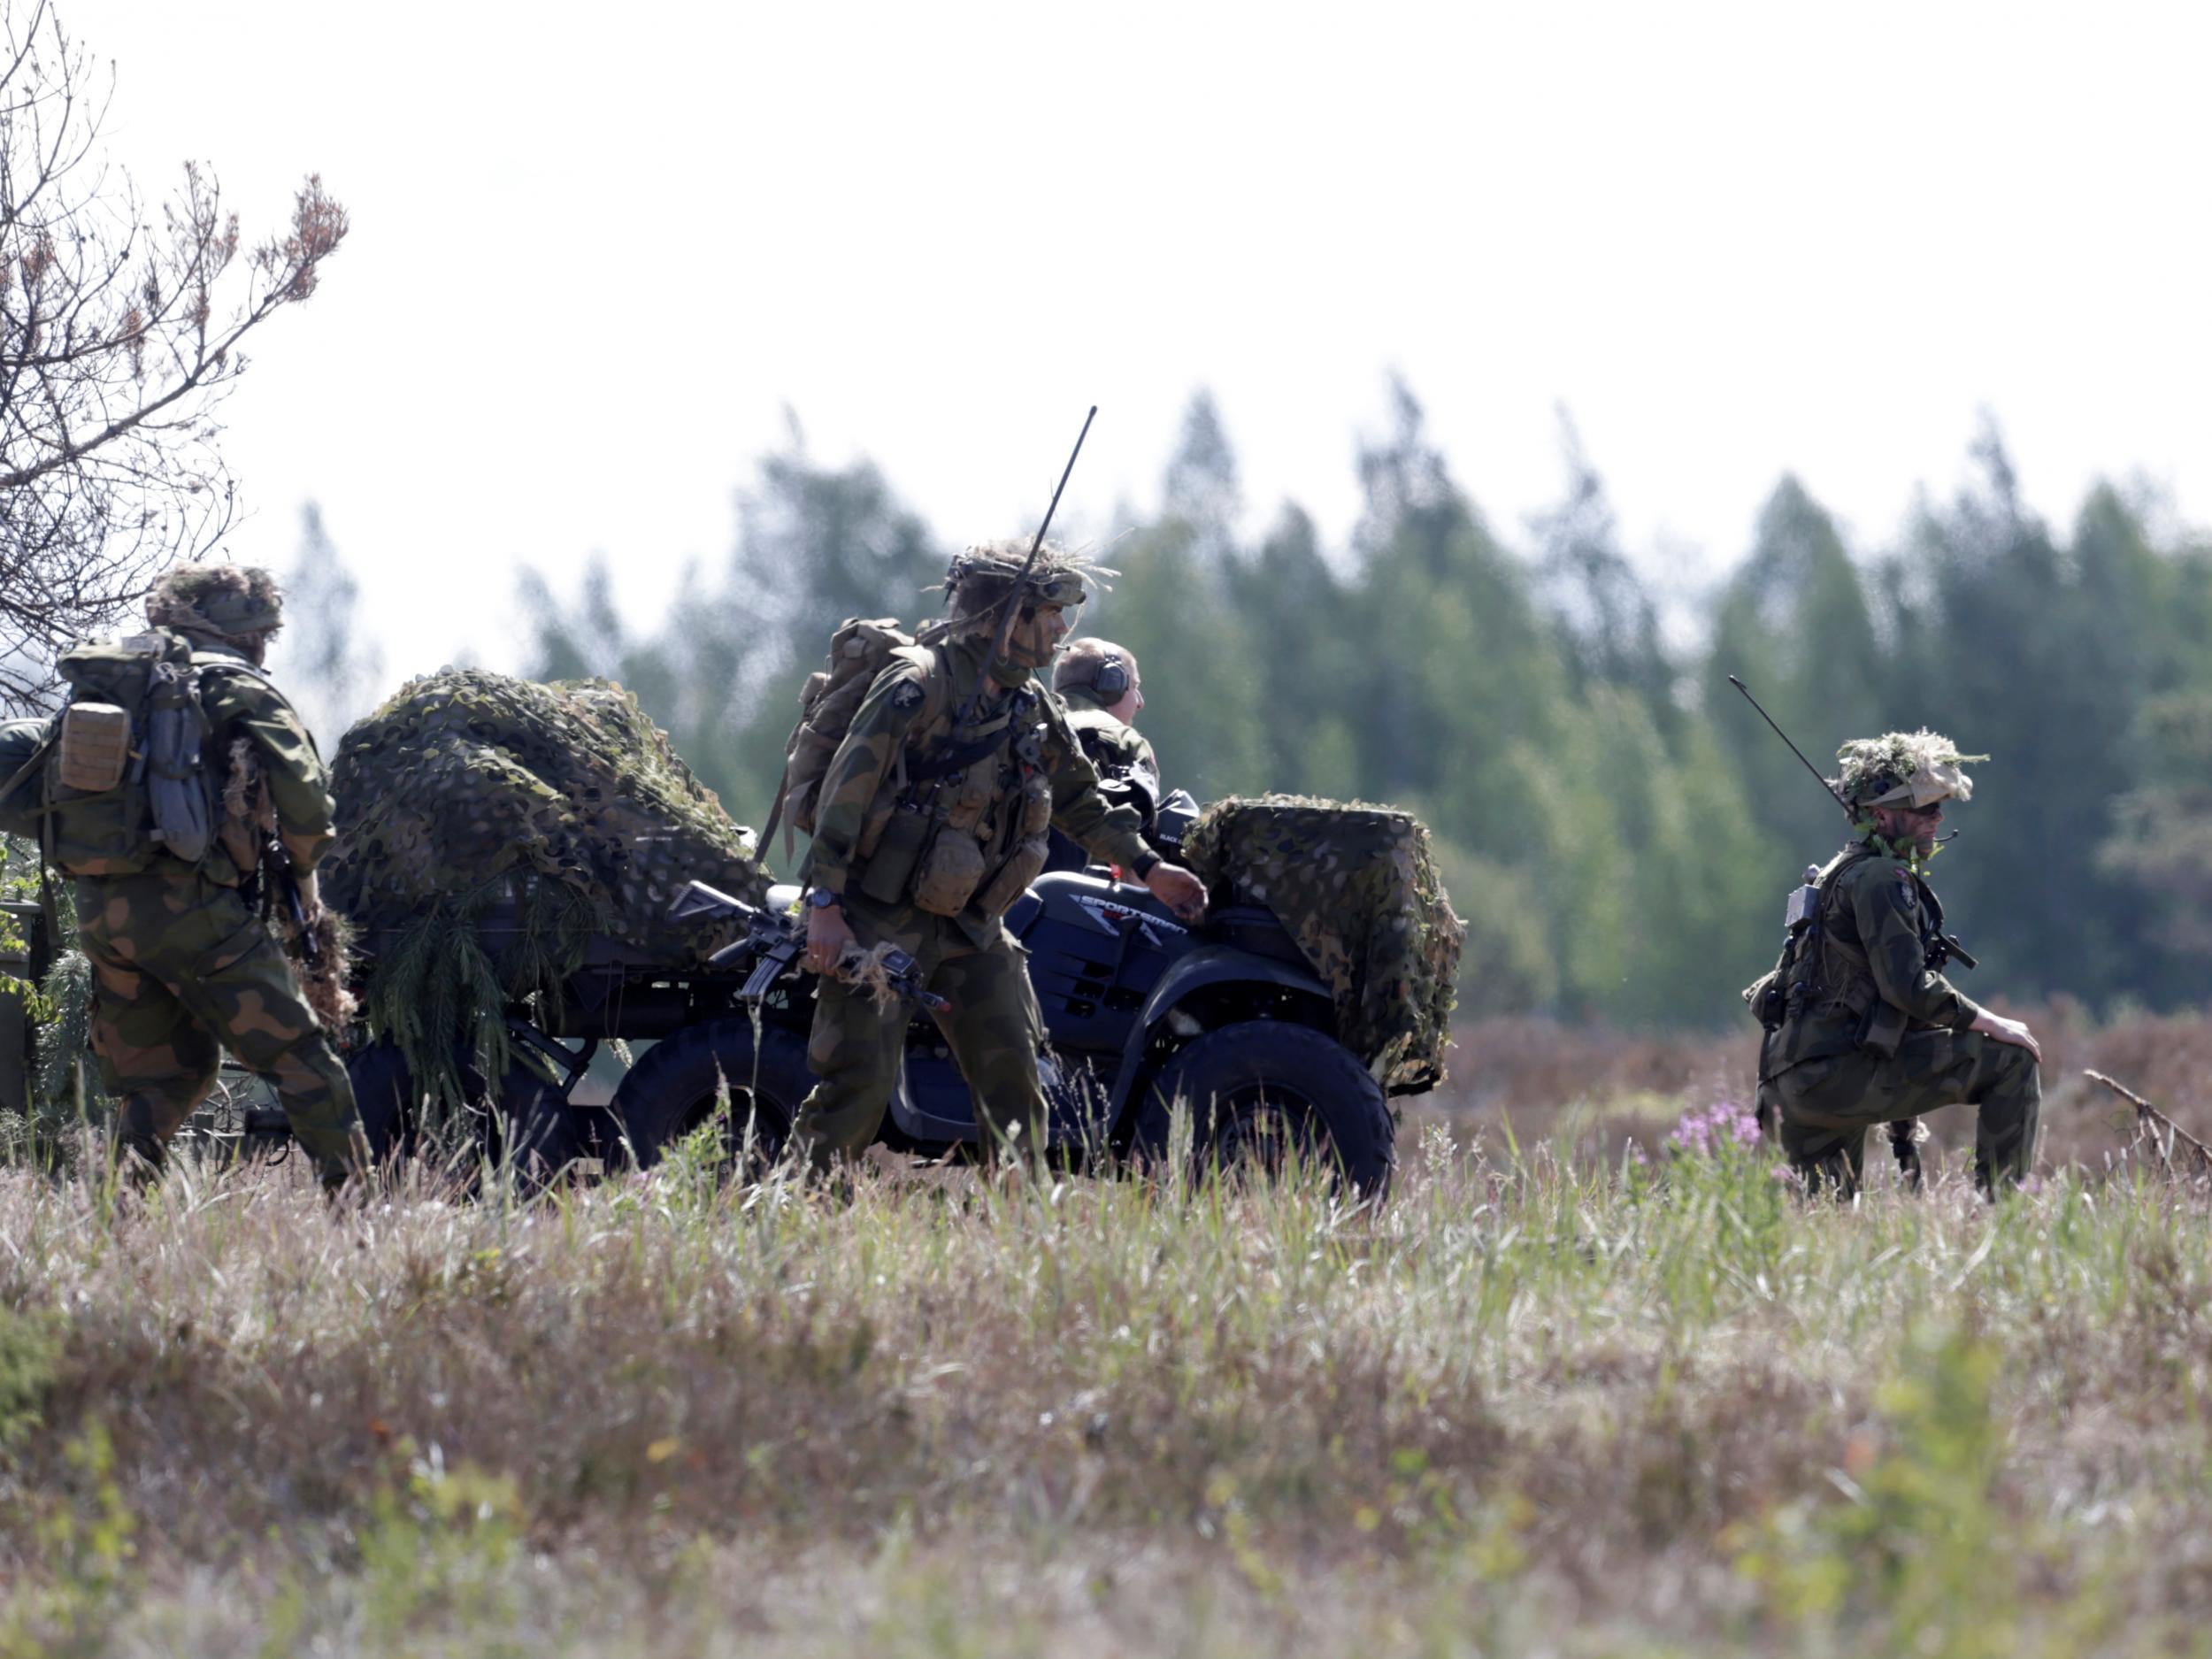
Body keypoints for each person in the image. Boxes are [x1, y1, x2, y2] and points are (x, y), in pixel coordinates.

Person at [790, 541, 1209, 1170]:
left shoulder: (1030, 706)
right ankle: (792, 1213)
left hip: (971, 928)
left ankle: (1020, 1232)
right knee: (858, 1089)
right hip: (880, 919)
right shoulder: (918, 685)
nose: (1062, 630)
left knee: (1018, 1085)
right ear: (1009, 618)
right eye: (1048, 613)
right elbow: (843, 796)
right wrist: (824, 903)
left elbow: (1082, 802)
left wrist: (1150, 868)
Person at [54, 565, 367, 1188]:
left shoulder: (127, 684)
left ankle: (113, 1219)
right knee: (305, 1062)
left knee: (166, 1077)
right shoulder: (241, 689)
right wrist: (300, 882)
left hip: (102, 914)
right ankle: (365, 1217)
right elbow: (308, 814)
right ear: (251, 636)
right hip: (197, 915)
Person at [1757, 730, 2041, 1196]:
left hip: (1791, 1085)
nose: (1937, 818)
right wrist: (1989, 1022)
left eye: (1938, 807)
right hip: (1835, 1077)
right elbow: (1906, 987)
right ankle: (2003, 1218)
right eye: (1924, 809)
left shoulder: (1837, 873)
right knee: (2012, 1060)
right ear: (1881, 816)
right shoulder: (1882, 879)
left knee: (1825, 1228)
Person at [1044, 637, 1160, 873]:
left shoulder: (1027, 717)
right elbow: (1136, 840)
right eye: (1134, 687)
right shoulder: (1125, 741)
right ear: (1112, 684)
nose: (1140, 703)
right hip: (1073, 896)